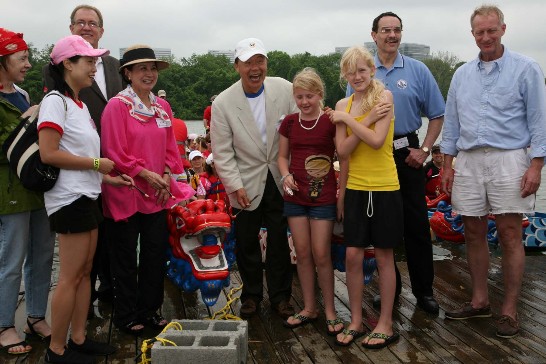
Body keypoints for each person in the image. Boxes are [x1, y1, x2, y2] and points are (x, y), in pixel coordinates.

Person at [441, 5, 546, 338]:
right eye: (479, 32)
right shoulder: (462, 74)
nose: (485, 37)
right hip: (469, 159)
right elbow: (452, 122)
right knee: (472, 231)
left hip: (509, 157)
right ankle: (479, 300)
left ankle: (510, 310)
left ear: (503, 29)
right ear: (472, 34)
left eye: (491, 30)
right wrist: (446, 163)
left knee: (510, 234)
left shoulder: (526, 69)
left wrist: (536, 164)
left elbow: (539, 120)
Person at [38, 35, 129, 364]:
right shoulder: (55, 102)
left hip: (88, 194)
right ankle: (56, 350)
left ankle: (77, 338)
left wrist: (109, 177)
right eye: (88, 61)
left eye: (95, 61)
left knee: (85, 271)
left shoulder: (78, 104)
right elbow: (49, 153)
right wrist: (96, 164)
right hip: (68, 200)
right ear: (67, 64)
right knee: (70, 276)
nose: (94, 67)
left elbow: (81, 157)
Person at [347, 12, 445, 313]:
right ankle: (391, 289)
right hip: (372, 157)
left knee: (416, 224)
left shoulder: (417, 70)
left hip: (408, 153)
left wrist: (426, 149)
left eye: (396, 30)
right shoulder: (362, 73)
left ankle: (424, 291)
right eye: (385, 30)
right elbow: (352, 120)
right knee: (382, 229)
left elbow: (437, 114)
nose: (392, 35)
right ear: (374, 34)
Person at [100, 44, 195, 336]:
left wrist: (166, 175)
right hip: (126, 191)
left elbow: (170, 148)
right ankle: (126, 314)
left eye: (152, 68)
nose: (149, 73)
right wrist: (145, 174)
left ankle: (150, 310)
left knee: (155, 254)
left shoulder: (161, 106)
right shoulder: (117, 106)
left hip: (158, 193)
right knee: (126, 257)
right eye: (141, 68)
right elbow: (113, 151)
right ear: (127, 73)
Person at [43, 4, 125, 306]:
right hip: (75, 182)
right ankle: (73, 330)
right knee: (73, 270)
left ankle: (104, 300)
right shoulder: (58, 92)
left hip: (107, 171)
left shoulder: (117, 66)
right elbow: (51, 147)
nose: (87, 27)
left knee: (103, 248)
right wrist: (96, 163)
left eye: (93, 23)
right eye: (81, 23)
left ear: (102, 31)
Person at [211, 37, 298, 319]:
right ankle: (250, 296)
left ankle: (281, 297)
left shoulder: (285, 88)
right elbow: (222, 152)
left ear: (266, 64)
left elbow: (305, 122)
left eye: (259, 61)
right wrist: (234, 186)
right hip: (245, 180)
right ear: (237, 66)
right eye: (248, 62)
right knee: (246, 241)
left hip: (280, 176)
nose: (255, 68)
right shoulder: (224, 102)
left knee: (279, 241)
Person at [327, 46, 401, 348]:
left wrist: (357, 121)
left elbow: (375, 141)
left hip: (384, 187)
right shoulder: (342, 104)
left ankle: (385, 323)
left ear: (372, 70)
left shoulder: (384, 98)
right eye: (351, 71)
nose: (357, 76)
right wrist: (367, 118)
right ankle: (356, 320)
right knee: (353, 255)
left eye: (362, 70)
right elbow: (342, 152)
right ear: (345, 75)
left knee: (384, 256)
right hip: (356, 188)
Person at [0, 28, 55, 356]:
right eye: (21, 58)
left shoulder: (20, 93)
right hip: (9, 195)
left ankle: (35, 316)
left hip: (36, 189)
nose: (28, 64)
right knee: (10, 259)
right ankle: (5, 323)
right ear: (3, 61)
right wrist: (28, 120)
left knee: (43, 254)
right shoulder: (21, 104)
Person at [277, 68, 343, 336]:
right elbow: (282, 157)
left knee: (321, 253)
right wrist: (286, 176)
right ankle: (308, 307)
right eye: (300, 96)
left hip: (323, 197)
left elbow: (345, 155)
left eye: (310, 96)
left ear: (320, 95)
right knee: (302, 253)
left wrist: (343, 196)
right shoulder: (290, 123)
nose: (304, 102)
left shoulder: (330, 121)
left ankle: (330, 309)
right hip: (295, 197)